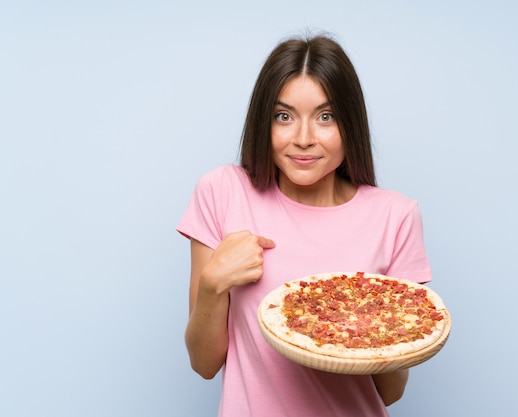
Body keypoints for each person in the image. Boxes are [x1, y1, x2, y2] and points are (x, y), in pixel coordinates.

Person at [176, 33, 432, 417]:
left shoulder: (395, 216)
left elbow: (390, 392)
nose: (304, 139)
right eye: (284, 116)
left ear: (350, 123)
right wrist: (214, 284)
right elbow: (203, 364)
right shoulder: (222, 192)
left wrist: (366, 324)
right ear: (264, 122)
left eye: (326, 117)